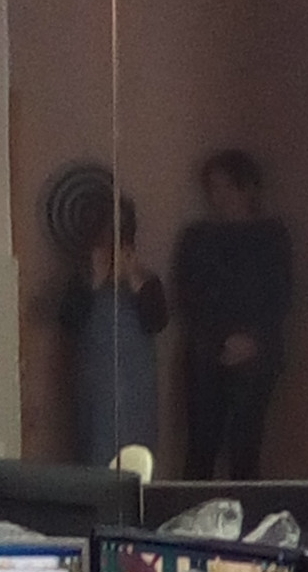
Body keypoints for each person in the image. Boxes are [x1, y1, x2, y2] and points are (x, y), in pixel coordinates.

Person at [173, 148, 292, 479]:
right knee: (201, 446)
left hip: (258, 351)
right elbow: (188, 295)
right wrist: (217, 340)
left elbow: (280, 294)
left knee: (245, 446)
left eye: (228, 186)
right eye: (213, 188)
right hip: (206, 349)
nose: (220, 196)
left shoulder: (271, 235)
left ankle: (245, 510)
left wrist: (254, 339)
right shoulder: (197, 237)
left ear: (248, 187)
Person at [59, 188, 165, 468]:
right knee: (95, 446)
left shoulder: (147, 280)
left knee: (137, 451)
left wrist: (135, 281)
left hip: (137, 384)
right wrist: (93, 283)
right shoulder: (81, 281)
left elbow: (157, 322)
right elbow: (68, 322)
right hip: (96, 383)